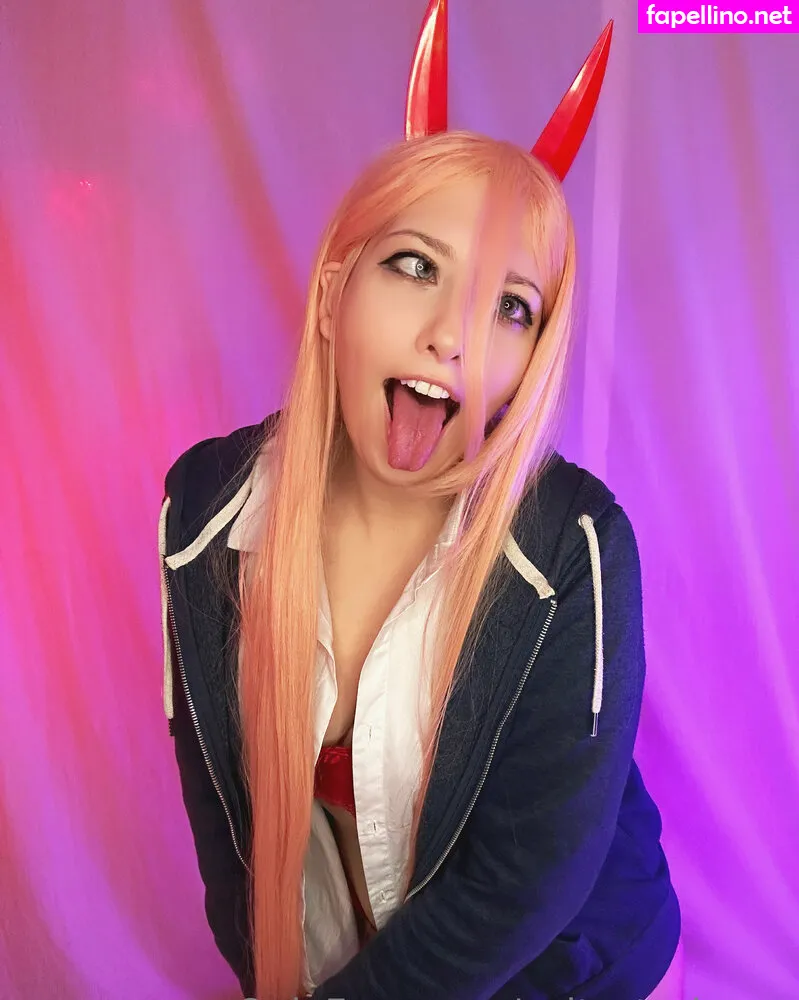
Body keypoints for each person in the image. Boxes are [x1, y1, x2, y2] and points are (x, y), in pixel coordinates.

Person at [157, 4, 680, 998]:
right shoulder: (202, 515)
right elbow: (224, 819)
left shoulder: (573, 547)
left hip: (567, 975)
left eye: (510, 306)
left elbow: (524, 884)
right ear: (332, 295)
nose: (455, 335)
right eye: (415, 266)